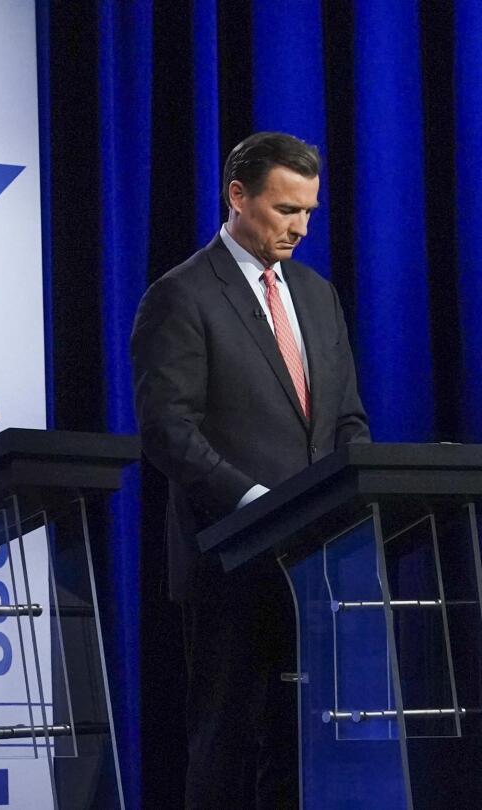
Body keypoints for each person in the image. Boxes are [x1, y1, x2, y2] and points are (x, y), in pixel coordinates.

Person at [131, 131, 370, 809]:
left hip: (320, 563)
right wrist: (259, 504)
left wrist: (349, 497)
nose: (298, 227)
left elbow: (346, 418)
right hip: (230, 564)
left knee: (304, 752)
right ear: (237, 197)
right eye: (284, 209)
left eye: (308, 213)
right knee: (228, 750)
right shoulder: (181, 295)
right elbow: (167, 430)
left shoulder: (317, 294)